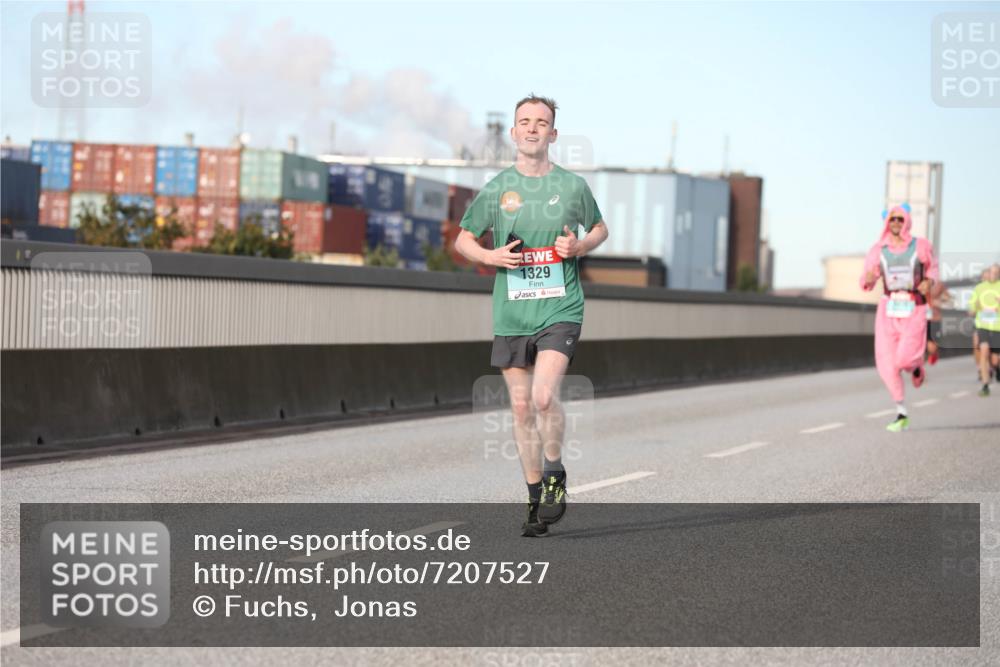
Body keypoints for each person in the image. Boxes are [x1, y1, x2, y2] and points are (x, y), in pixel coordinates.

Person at [455, 94, 608, 536]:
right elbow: (463, 240)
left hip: (561, 307)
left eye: (542, 122)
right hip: (512, 312)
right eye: (525, 121)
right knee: (522, 408)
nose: (533, 128)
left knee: (542, 398)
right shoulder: (498, 187)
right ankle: (534, 495)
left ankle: (555, 470)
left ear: (553, 134)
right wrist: (491, 256)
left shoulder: (573, 187)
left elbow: (600, 227)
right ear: (514, 132)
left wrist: (579, 246)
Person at [860, 204, 939, 432]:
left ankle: (916, 367)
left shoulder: (921, 246)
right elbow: (866, 280)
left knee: (904, 359)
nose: (896, 223)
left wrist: (930, 282)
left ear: (906, 221)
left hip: (914, 307)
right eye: (892, 220)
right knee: (886, 363)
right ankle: (901, 411)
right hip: (888, 309)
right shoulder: (877, 250)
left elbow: (933, 269)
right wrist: (868, 278)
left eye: (899, 219)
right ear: (887, 222)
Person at [969, 263, 1000, 397]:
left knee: (995, 361)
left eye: (996, 273)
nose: (993, 275)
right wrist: (975, 307)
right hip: (983, 326)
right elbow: (971, 310)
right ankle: (985, 384)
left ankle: (996, 369)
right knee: (984, 351)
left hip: (997, 327)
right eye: (991, 272)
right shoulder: (979, 288)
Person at [925, 280, 950, 365]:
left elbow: (949, 299)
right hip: (921, 319)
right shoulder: (919, 281)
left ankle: (932, 353)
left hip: (935, 318)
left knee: (932, 346)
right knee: (923, 343)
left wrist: (938, 302)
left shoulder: (939, 284)